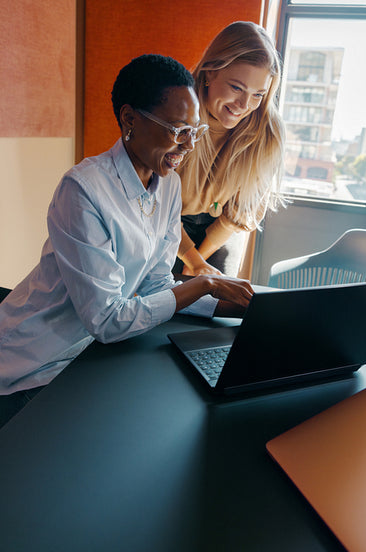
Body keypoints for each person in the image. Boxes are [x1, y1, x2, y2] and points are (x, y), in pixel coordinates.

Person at [0, 54, 253, 427]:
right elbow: (107, 319)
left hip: (89, 354)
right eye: (177, 129)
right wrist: (203, 283)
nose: (188, 145)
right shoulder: (83, 189)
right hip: (36, 360)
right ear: (130, 119)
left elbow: (155, 285)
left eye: (194, 131)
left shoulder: (168, 184)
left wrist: (230, 305)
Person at [174, 21, 286, 277]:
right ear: (210, 72)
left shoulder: (268, 133)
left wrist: (198, 263)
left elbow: (238, 213)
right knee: (161, 301)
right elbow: (154, 207)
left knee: (219, 307)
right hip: (166, 224)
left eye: (258, 94)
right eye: (237, 88)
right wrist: (192, 262)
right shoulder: (175, 116)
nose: (244, 105)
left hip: (221, 228)